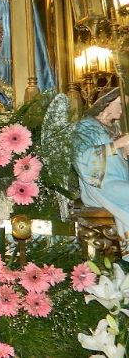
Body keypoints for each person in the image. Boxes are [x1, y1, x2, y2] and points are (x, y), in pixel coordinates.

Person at [75, 87, 129, 258]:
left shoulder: (114, 128)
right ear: (106, 104)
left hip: (118, 181)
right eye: (120, 104)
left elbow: (115, 158)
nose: (122, 110)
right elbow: (81, 158)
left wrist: (124, 153)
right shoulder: (85, 126)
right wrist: (117, 145)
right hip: (99, 185)